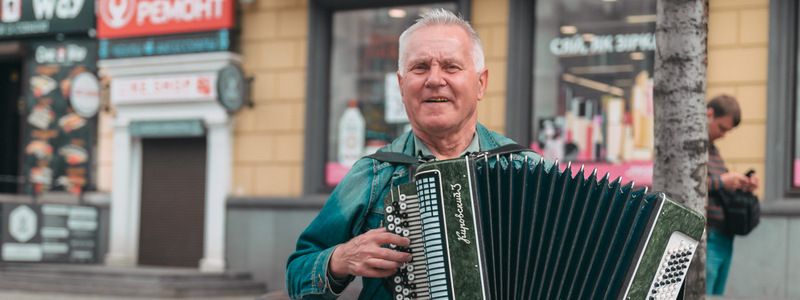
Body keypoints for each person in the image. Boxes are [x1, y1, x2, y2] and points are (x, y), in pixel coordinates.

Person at [286, 9, 541, 299]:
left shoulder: (526, 170)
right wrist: (340, 259)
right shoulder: (375, 174)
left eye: (451, 67)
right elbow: (298, 273)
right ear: (401, 85)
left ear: (481, 83)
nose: (434, 79)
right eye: (420, 67)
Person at [705, 94, 759, 295]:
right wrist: (723, 181)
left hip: (724, 236)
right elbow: (689, 187)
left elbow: (720, 190)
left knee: (716, 295)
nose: (723, 135)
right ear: (709, 114)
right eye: (721, 128)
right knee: (706, 293)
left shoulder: (714, 151)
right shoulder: (694, 149)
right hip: (707, 236)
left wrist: (743, 185)